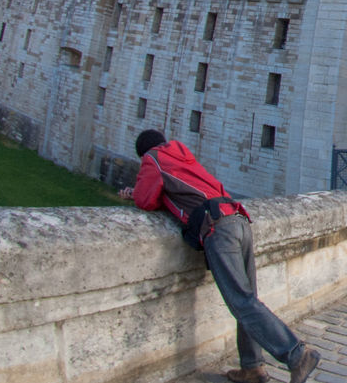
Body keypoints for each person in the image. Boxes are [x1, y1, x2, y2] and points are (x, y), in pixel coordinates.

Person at [120, 129, 320, 383]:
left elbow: (146, 198)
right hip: (238, 218)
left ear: (144, 152)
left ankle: (297, 354)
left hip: (218, 227)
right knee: (248, 298)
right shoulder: (182, 155)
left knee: (241, 301)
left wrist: (132, 193)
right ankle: (252, 367)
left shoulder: (153, 158)